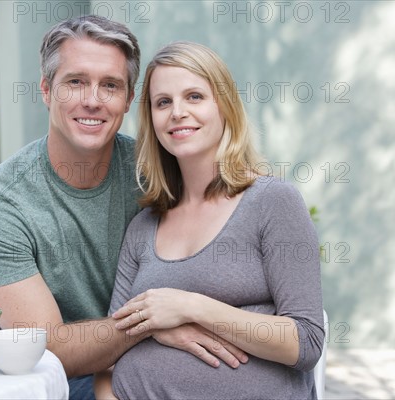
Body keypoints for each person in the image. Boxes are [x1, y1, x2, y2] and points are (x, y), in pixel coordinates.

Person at [0, 17, 247, 399]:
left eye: (110, 85)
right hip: (69, 380)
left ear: (129, 99)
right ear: (46, 90)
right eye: (75, 82)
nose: (92, 99)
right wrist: (150, 324)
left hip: (181, 362)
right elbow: (49, 348)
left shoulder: (163, 173)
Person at [95, 41, 325, 399]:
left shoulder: (271, 202)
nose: (177, 113)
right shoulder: (143, 226)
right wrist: (155, 328)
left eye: (195, 96)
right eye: (163, 102)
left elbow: (306, 342)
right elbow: (110, 353)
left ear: (225, 107)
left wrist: (190, 307)